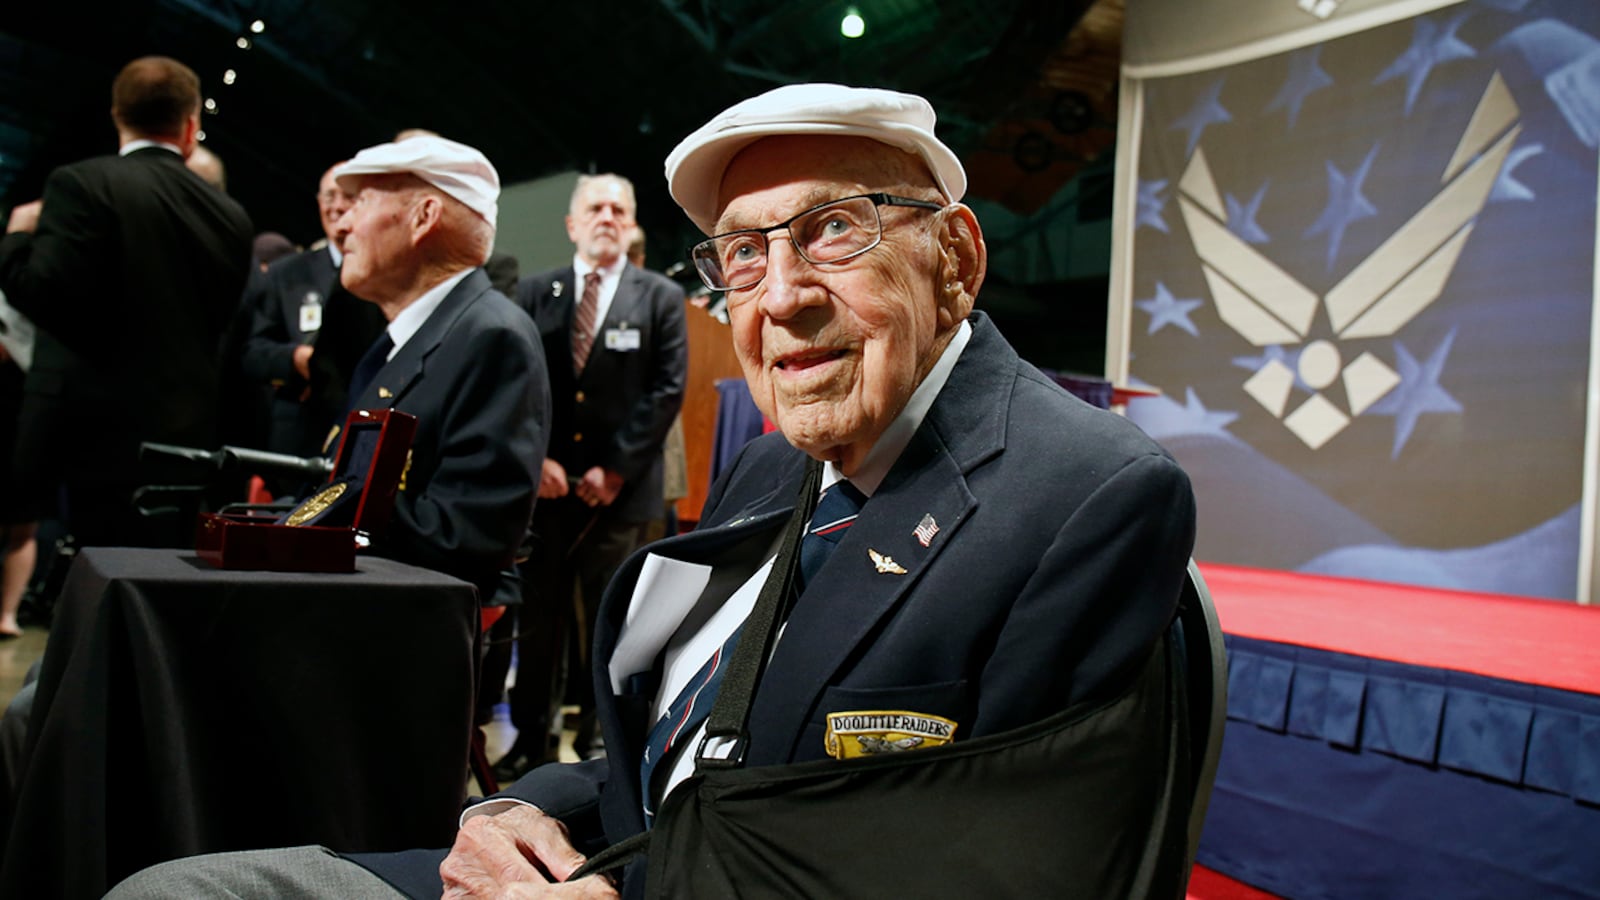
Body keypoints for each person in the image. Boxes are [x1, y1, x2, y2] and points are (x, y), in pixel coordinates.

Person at [108, 83, 1195, 899]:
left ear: (955, 256)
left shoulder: (1087, 498)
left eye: (833, 229)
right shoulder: (779, 463)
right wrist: (514, 808)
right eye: (742, 257)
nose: (783, 298)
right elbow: (691, 753)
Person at [0, 55, 254, 548]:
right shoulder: (230, 215)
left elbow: (43, 294)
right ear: (190, 124)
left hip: (86, 429)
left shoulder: (81, 184)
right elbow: (222, 318)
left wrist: (14, 239)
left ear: (117, 115)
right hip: (179, 430)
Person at [495, 174, 687, 774]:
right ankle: (530, 738)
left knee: (614, 621)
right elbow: (517, 384)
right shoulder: (533, 292)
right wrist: (540, 459)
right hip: (547, 492)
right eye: (595, 208)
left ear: (630, 224)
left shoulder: (658, 297)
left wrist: (614, 470)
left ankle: (605, 743)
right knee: (541, 621)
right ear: (573, 225)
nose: (607, 216)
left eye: (618, 209)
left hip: (619, 497)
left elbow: (666, 390)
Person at [329, 135, 548, 610]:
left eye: (360, 202)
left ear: (423, 217)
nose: (341, 225)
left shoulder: (492, 336)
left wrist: (334, 508)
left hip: (416, 634)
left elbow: (468, 536)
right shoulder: (414, 337)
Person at [237, 163, 386, 466]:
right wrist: (296, 359)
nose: (337, 207)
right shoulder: (286, 273)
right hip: (296, 444)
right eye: (329, 197)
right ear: (318, 202)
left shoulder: (384, 271)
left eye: (348, 196)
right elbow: (252, 352)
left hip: (367, 434)